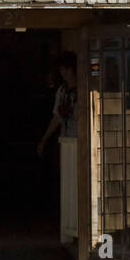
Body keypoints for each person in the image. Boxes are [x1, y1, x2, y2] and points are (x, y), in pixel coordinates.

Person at [37, 52, 78, 245]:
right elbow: (57, 117)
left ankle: (79, 227)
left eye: (67, 68)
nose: (64, 73)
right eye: (61, 69)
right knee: (66, 183)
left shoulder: (85, 87)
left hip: (82, 140)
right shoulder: (61, 91)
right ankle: (68, 228)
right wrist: (44, 139)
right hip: (66, 140)